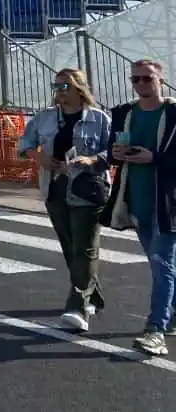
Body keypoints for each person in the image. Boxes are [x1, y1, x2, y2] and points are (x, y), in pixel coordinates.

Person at [17, 67, 111, 332]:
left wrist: (91, 160)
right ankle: (92, 295)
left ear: (79, 88)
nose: (58, 91)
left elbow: (111, 152)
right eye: (56, 86)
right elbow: (24, 142)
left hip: (87, 187)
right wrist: (38, 157)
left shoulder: (99, 119)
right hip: (55, 188)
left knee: (85, 248)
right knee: (70, 246)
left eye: (64, 86)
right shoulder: (45, 118)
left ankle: (77, 305)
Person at [101, 58, 176, 356]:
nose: (141, 84)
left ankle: (155, 330)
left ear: (161, 80)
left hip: (168, 204)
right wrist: (116, 153)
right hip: (135, 200)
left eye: (147, 78)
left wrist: (153, 157)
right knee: (161, 266)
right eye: (136, 79)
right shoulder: (123, 113)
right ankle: (169, 317)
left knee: (162, 266)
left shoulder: (173, 113)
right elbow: (111, 153)